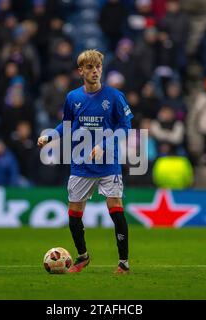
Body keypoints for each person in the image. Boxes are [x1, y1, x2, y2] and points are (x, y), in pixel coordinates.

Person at [37, 49, 133, 274]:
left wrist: (105, 145)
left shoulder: (115, 97)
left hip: (109, 163)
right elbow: (67, 125)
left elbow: (125, 127)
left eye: (98, 66)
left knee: (116, 209)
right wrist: (50, 136)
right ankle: (82, 257)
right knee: (74, 215)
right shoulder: (73, 98)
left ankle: (123, 263)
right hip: (81, 163)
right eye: (90, 67)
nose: (95, 71)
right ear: (81, 71)